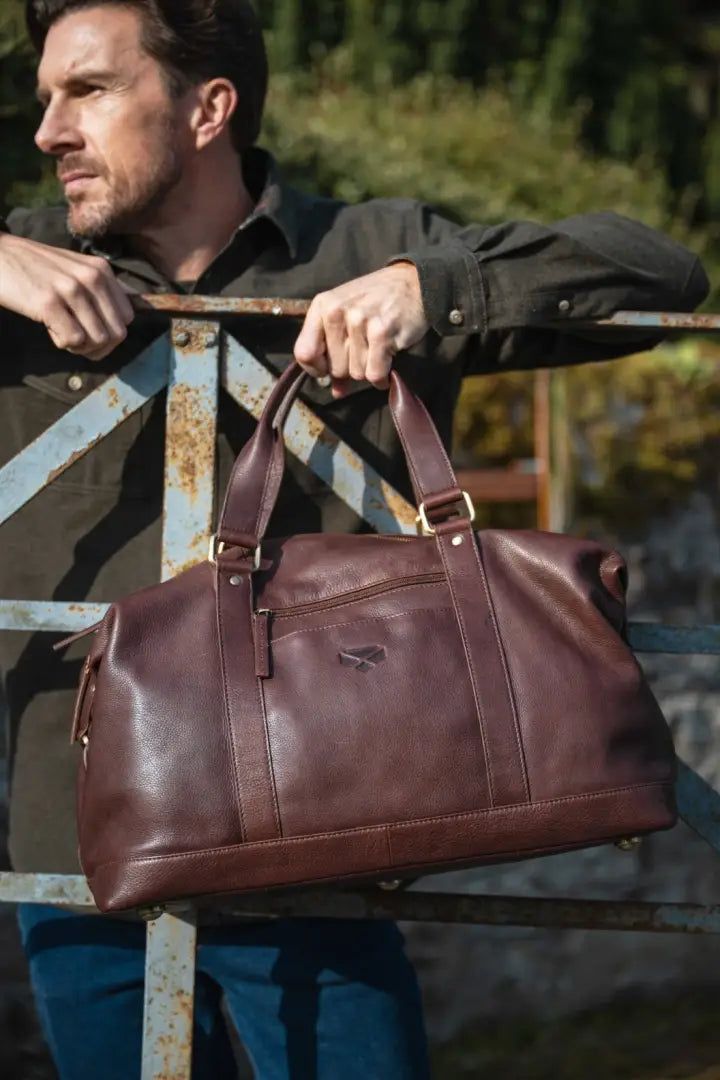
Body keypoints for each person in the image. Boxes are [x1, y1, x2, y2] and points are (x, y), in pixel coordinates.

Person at [0, 1, 708, 1078]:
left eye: (87, 91)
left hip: (325, 843)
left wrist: (440, 289)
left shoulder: (368, 249)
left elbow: (659, 266)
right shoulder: (20, 268)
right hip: (80, 854)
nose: (48, 129)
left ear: (209, 108)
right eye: (47, 97)